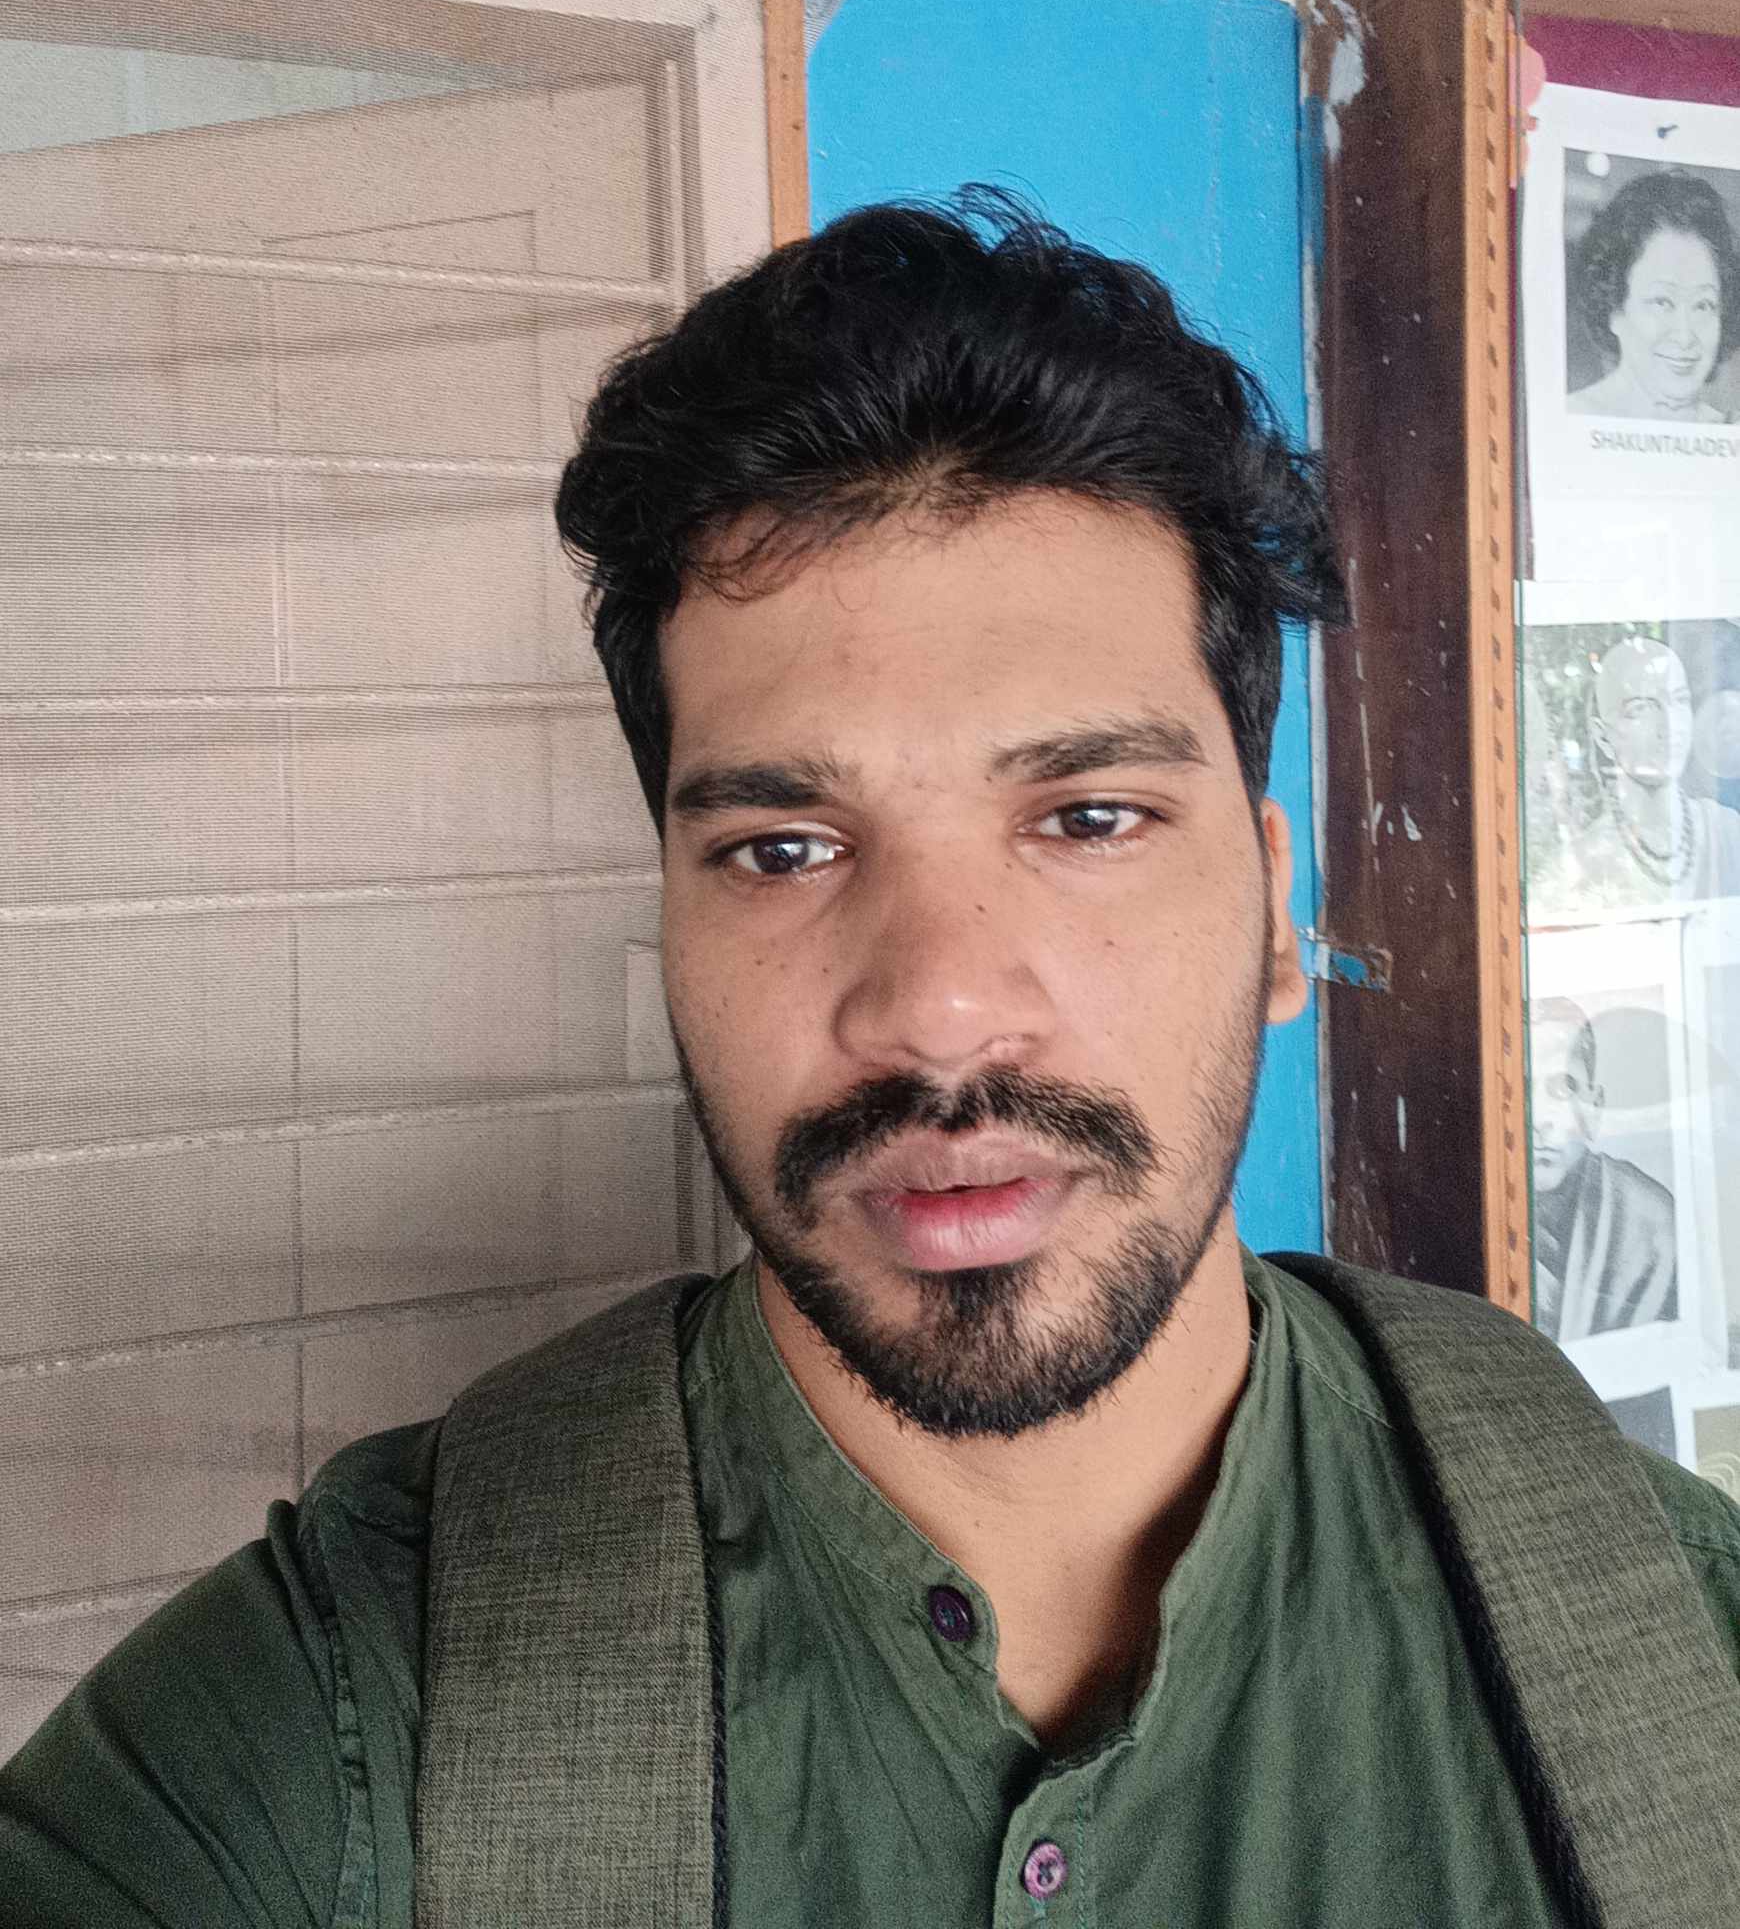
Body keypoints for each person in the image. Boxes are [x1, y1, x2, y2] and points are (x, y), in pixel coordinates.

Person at [6, 193, 1740, 1927]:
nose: (940, 1009)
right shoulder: (328, 1713)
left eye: (1088, 817)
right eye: (783, 849)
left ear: (1279, 917)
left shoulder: (1681, 1643)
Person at [1529, 996, 1677, 1342]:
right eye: (1520, 1088)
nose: (1540, 1118)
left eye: (1563, 1088)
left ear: (1595, 1108)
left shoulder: (1652, 1221)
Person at [1574, 632, 1740, 903]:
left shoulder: (1728, 832)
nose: (1669, 726)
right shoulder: (1584, 860)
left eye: (1679, 700)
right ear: (1603, 737)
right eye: (1640, 709)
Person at [1568, 167, 1740, 424]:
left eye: (1703, 305)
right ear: (1614, 308)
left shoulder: (1730, 432)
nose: (1685, 337)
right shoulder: (1569, 420)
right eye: (1662, 302)